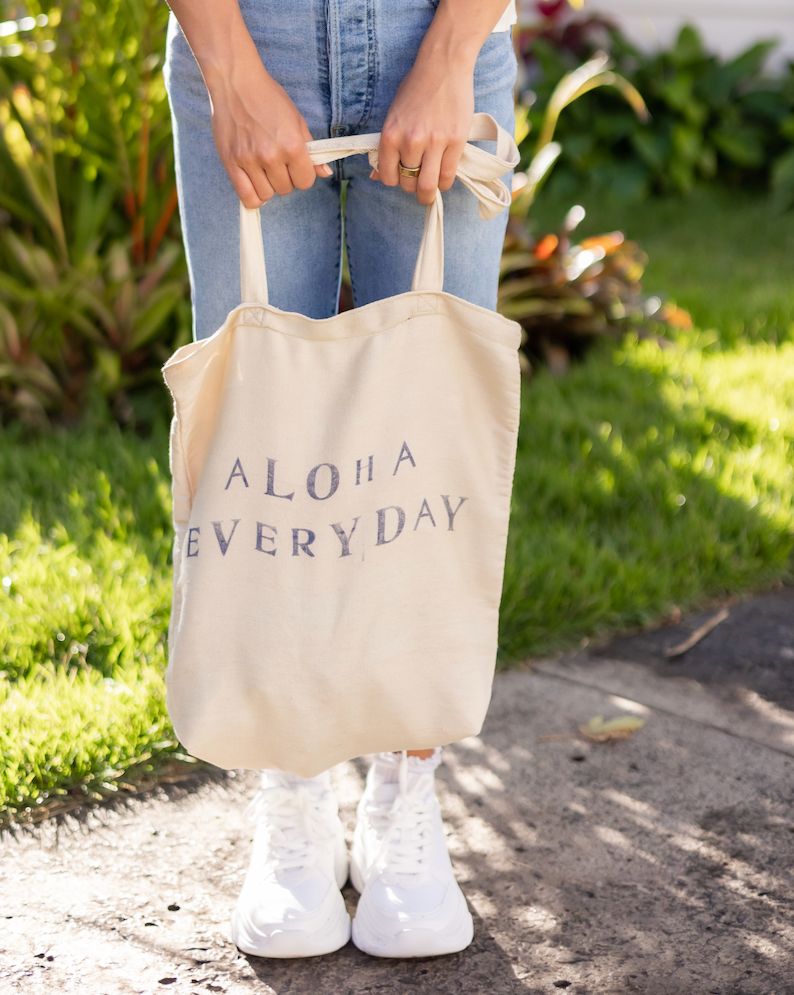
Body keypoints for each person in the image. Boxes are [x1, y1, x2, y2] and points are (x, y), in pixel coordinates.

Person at [163, 0, 517, 959]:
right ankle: (296, 792)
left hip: (443, 34)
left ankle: (406, 793)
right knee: (260, 450)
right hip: (245, 33)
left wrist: (449, 57)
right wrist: (231, 75)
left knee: (426, 443)